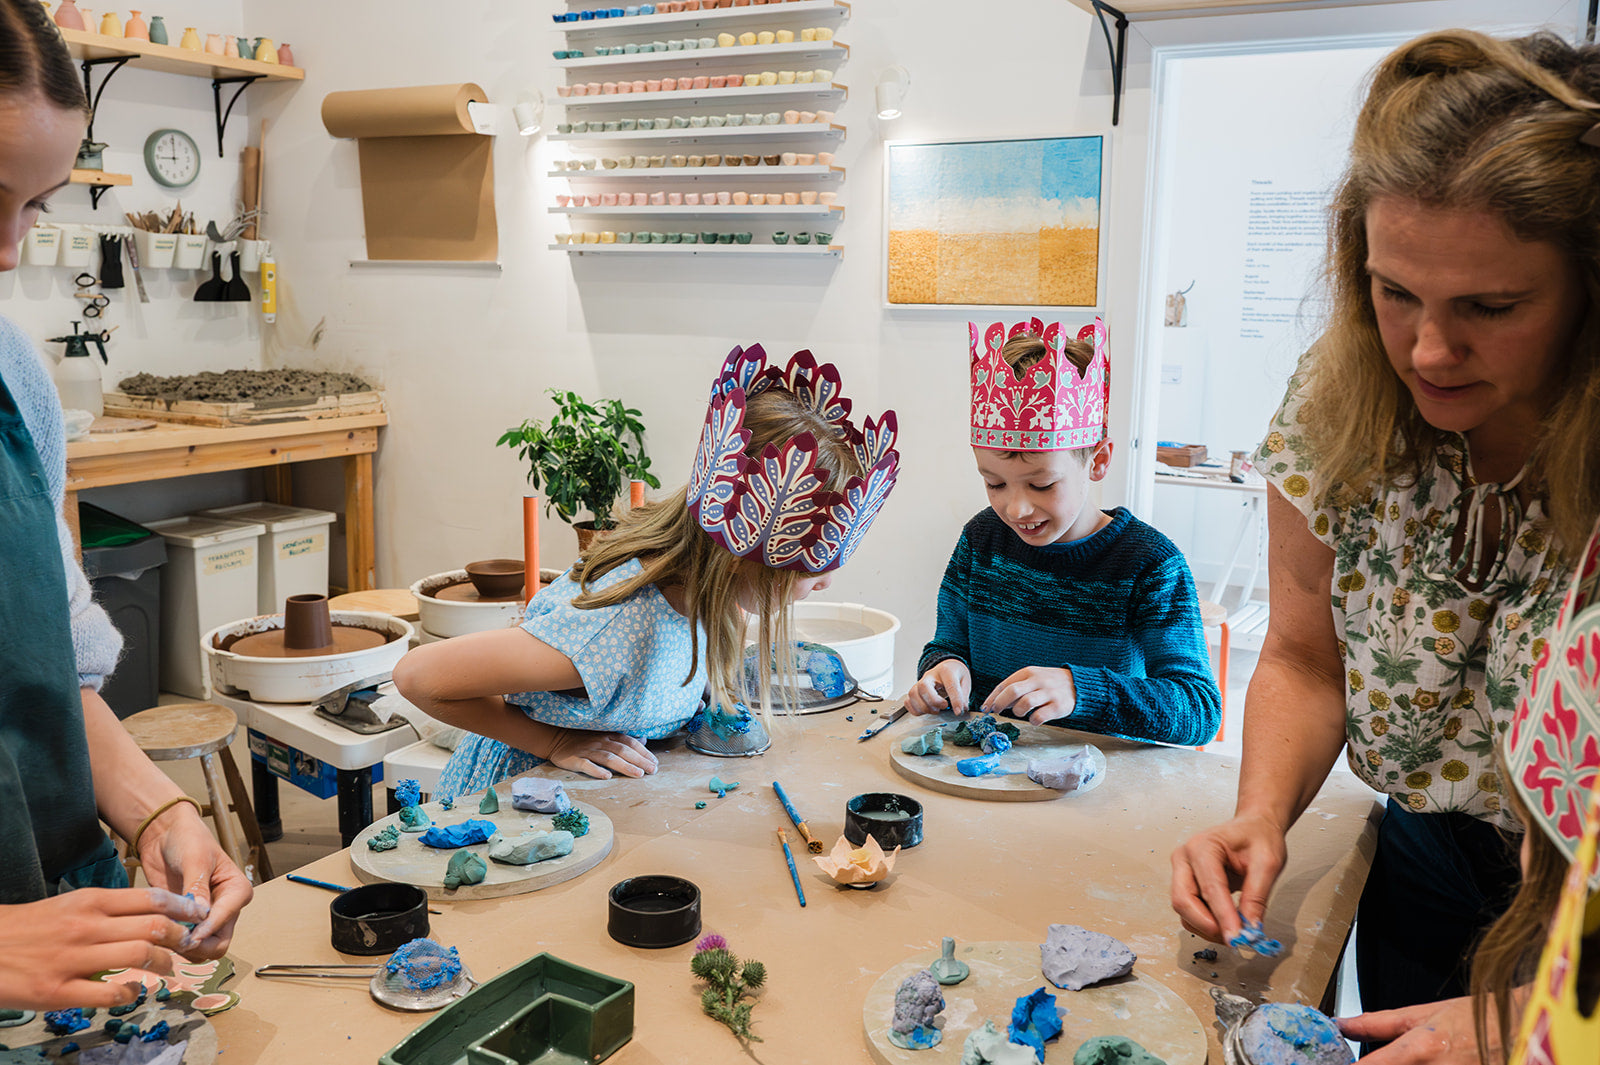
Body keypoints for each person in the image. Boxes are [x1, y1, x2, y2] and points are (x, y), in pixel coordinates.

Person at [1170, 27, 1600, 1043]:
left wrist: (1531, 1029)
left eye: (1490, 307)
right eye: (1392, 290)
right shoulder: (1342, 392)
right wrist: (1261, 814)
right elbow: (1306, 657)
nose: (1427, 348)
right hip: (1420, 856)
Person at [0, 0, 251, 1009]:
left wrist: (155, 814)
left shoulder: (14, 376)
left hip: (62, 942)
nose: (10, 252)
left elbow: (51, 662)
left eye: (33, 205)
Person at [396, 344, 900, 793]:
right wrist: (554, 742)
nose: (827, 583)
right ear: (740, 558)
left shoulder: (707, 595)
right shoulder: (617, 630)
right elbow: (419, 676)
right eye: (811, 571)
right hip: (522, 801)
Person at [904, 318, 1220, 746]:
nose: (1015, 508)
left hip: (1097, 790)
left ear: (1099, 460)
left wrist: (1083, 690)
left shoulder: (1149, 565)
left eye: (1042, 484)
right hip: (988, 772)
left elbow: (1199, 711)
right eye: (994, 483)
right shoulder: (982, 540)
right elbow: (947, 644)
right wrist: (943, 670)